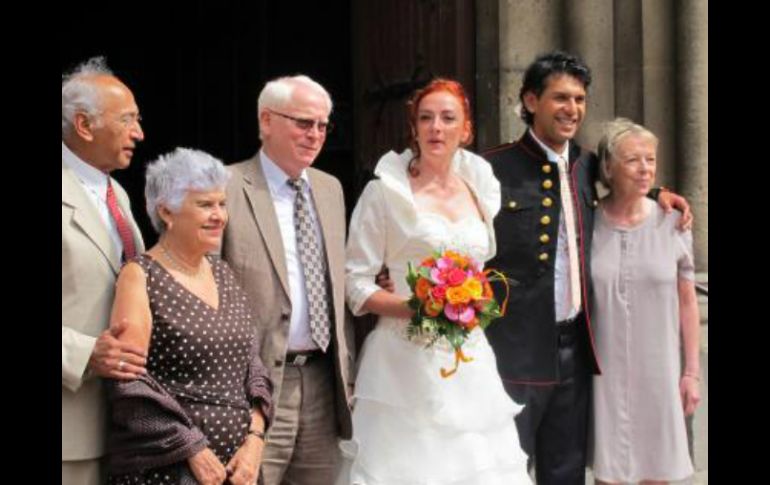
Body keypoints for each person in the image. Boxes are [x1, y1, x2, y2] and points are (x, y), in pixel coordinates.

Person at [484, 51, 692, 484]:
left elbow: (627, 177)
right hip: (514, 353)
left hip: (576, 355)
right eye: (560, 97)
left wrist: (659, 192)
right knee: (503, 472)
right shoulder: (491, 168)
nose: (572, 109)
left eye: (579, 99)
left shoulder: (585, 165)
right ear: (530, 100)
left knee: (565, 474)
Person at [339, 78, 531, 484]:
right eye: (425, 118)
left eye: (447, 118)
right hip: (403, 363)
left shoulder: (480, 187)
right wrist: (414, 306)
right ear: (414, 129)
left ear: (466, 129)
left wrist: (473, 300)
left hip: (470, 358)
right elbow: (354, 281)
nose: (435, 128)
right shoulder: (385, 192)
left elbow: (480, 269)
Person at [105, 147, 274, 485]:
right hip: (169, 469)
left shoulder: (221, 271)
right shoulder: (140, 275)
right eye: (205, 205)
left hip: (238, 468)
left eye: (222, 204)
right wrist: (192, 448)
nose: (219, 216)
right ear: (166, 211)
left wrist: (255, 438)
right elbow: (128, 379)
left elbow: (251, 363)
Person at [222, 75, 355, 485]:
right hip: (252, 386)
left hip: (321, 381)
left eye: (322, 125)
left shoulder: (331, 189)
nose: (315, 135)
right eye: (302, 122)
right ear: (266, 121)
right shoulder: (224, 185)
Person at [590, 118, 701, 484]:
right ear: (608, 166)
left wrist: (691, 373)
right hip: (603, 373)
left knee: (657, 470)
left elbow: (687, 303)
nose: (645, 169)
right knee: (610, 473)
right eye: (633, 160)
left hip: (660, 370)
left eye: (650, 160)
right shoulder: (588, 224)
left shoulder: (673, 223)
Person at [62, 56, 147, 485]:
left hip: (123, 427)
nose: (139, 133)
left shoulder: (117, 193)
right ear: (83, 125)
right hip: (69, 434)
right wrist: (82, 352)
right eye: (127, 120)